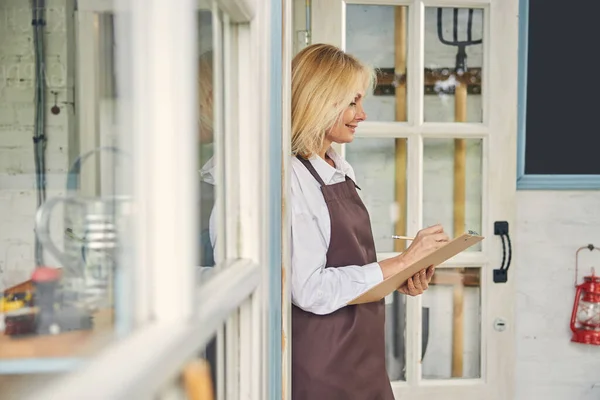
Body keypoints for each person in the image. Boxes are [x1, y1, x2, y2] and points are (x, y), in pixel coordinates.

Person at [290, 43, 449, 400]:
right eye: (352, 102)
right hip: (323, 366)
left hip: (363, 357)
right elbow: (309, 289)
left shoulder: (339, 168)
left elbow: (346, 270)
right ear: (318, 101)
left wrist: (398, 277)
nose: (362, 114)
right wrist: (403, 261)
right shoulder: (293, 178)